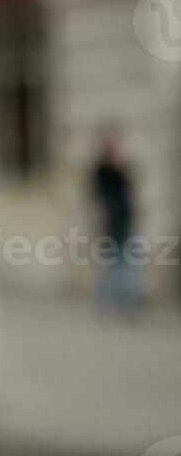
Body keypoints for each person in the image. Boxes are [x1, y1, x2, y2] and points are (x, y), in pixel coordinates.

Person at [91, 126, 139, 319]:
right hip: (109, 226)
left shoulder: (123, 167)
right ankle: (107, 305)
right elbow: (99, 196)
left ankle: (125, 306)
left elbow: (129, 191)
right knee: (109, 269)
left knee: (127, 267)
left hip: (125, 223)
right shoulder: (102, 170)